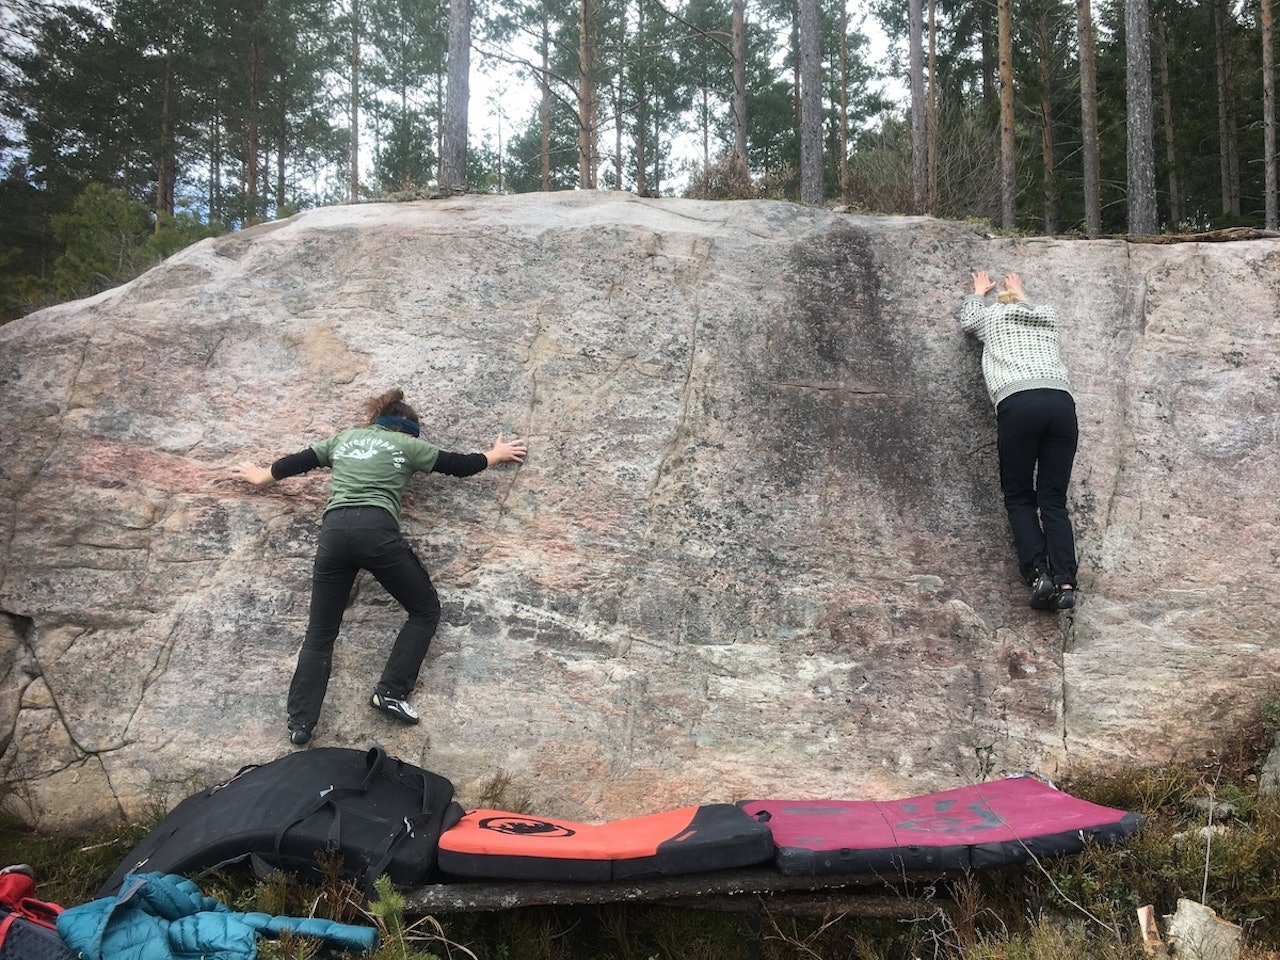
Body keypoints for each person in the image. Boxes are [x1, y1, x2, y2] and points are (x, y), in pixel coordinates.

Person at [235, 387, 527, 745]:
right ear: (407, 430)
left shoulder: (343, 440)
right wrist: (495, 455)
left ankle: (300, 723)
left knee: (320, 633)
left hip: (334, 533)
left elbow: (297, 461)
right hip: (375, 532)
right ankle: (390, 692)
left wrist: (261, 476)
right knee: (424, 609)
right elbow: (459, 465)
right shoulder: (408, 446)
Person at [960, 271, 1078, 611]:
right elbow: (1030, 307)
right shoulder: (1047, 318)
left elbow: (969, 321)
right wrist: (1019, 291)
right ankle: (1066, 583)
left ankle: (1039, 574)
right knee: (1053, 499)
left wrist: (978, 292)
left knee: (1019, 495)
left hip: (1019, 403)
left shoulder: (993, 318)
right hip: (1061, 404)